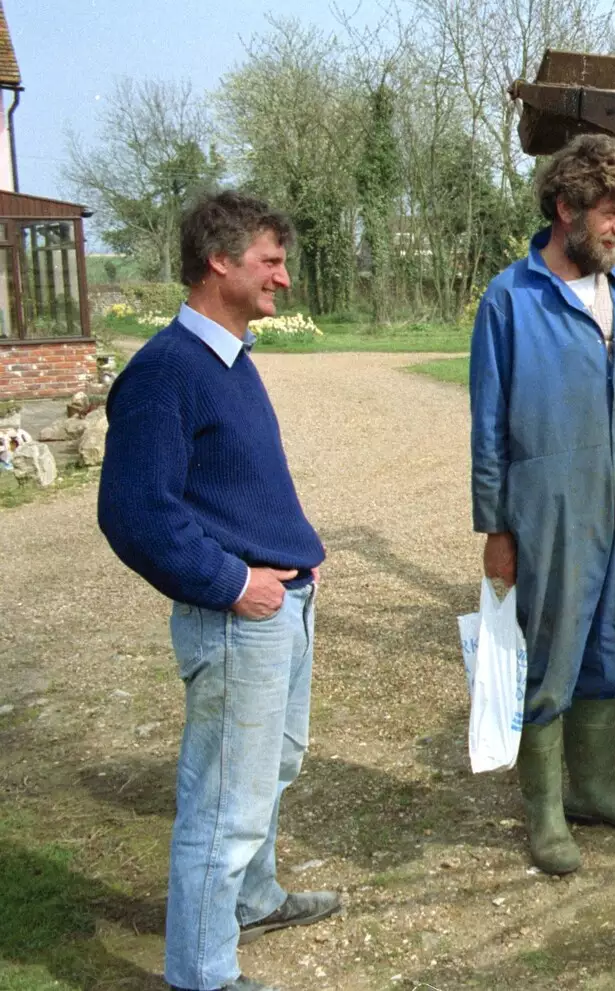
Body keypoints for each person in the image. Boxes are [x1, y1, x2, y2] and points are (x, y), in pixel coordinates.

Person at [99, 191, 339, 991]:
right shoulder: (165, 371)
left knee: (273, 766)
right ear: (219, 259)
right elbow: (135, 513)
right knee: (223, 801)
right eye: (270, 260)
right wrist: (233, 581)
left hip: (282, 606)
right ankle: (200, 973)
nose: (284, 277)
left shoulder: (228, 359)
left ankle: (253, 898)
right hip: (240, 618)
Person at [469, 134, 615, 875]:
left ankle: (594, 789)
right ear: (566, 208)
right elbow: (488, 424)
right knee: (551, 656)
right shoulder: (511, 299)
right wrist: (496, 526)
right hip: (550, 507)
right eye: (611, 213)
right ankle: (546, 813)